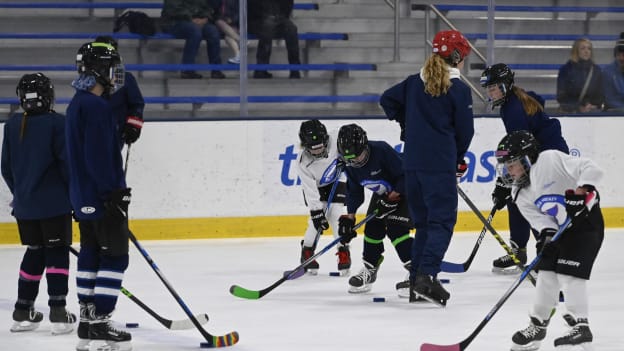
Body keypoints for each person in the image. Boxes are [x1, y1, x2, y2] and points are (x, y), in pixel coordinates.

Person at [380, 29, 474, 306]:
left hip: (411, 165)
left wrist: (407, 125)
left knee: (422, 224)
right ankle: (426, 277)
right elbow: (465, 132)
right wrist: (456, 156)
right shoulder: (458, 89)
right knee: (442, 223)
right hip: (438, 165)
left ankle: (416, 282)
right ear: (456, 56)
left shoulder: (413, 83)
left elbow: (387, 100)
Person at [494, 131, 603, 351]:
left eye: (512, 164)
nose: (509, 171)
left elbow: (592, 169)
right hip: (562, 232)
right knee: (545, 276)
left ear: (527, 158)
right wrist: (546, 238)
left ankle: (581, 325)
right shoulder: (519, 192)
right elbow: (543, 222)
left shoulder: (550, 159)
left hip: (585, 224)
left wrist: (582, 191)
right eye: (506, 166)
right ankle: (538, 326)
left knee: (569, 273)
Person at [66, 42, 133, 351]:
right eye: (112, 66)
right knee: (116, 256)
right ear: (99, 70)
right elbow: (98, 156)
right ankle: (102, 320)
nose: (116, 73)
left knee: (91, 252)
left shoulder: (77, 103)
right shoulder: (96, 107)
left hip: (82, 195)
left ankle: (87, 320)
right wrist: (113, 193)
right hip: (101, 194)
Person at [1, 73, 76, 335]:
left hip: (25, 206)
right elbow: (68, 166)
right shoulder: (58, 123)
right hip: (54, 205)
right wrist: (75, 198)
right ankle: (58, 312)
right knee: (56, 253)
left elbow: (6, 168)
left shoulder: (11, 124)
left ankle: (23, 312)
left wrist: (21, 193)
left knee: (34, 251)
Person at [480, 63, 569, 274]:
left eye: (496, 88)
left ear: (507, 85)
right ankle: (520, 251)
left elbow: (517, 149)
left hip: (547, 155)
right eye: (489, 89)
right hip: (542, 152)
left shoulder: (512, 108)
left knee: (528, 197)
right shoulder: (514, 100)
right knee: (516, 196)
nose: (492, 93)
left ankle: (547, 251)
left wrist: (503, 183)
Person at [335, 123, 414, 294]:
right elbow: (354, 191)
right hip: (383, 194)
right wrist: (349, 217)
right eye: (350, 158)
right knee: (372, 229)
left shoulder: (381, 150)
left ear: (365, 145)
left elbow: (405, 175)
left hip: (407, 189)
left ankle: (419, 272)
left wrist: (392, 198)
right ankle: (370, 270)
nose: (355, 161)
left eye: (358, 155)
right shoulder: (349, 164)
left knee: (396, 230)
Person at [296, 119, 350, 275]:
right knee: (317, 222)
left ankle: (343, 251)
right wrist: (316, 212)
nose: (318, 152)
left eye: (320, 147)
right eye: (314, 150)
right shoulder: (302, 163)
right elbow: (310, 190)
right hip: (316, 188)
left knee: (336, 215)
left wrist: (347, 158)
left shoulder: (337, 138)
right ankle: (307, 251)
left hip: (337, 180)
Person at [85, 36, 145, 148]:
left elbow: (137, 105)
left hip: (115, 134)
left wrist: (133, 126)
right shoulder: (88, 78)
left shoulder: (124, 77)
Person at [160, 0, 226, 79]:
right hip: (175, 22)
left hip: (196, 22)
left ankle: (216, 70)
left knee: (213, 32)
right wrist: (191, 19)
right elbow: (173, 10)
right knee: (195, 31)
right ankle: (187, 70)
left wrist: (205, 18)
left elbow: (207, 8)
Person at [248, 0, 302, 79]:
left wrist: (279, 17)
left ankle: (295, 69)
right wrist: (266, 16)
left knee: (292, 29)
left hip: (279, 18)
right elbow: (251, 8)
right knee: (268, 27)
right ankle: (260, 70)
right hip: (258, 20)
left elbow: (288, 6)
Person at [556, 38, 604, 113]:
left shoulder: (596, 71)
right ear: (576, 51)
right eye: (582, 48)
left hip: (591, 112)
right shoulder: (566, 70)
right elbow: (561, 96)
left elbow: (600, 94)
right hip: (570, 113)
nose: (586, 51)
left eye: (589, 49)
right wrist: (578, 107)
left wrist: (592, 105)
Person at [602, 32, 624, 112]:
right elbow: (609, 99)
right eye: (618, 55)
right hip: (613, 114)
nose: (621, 58)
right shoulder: (608, 72)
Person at [215, 0, 241, 64]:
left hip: (231, 25)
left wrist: (232, 20)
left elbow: (239, 13)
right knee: (219, 22)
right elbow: (214, 13)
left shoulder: (235, 1)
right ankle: (241, 40)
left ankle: (238, 56)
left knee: (228, 37)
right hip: (218, 26)